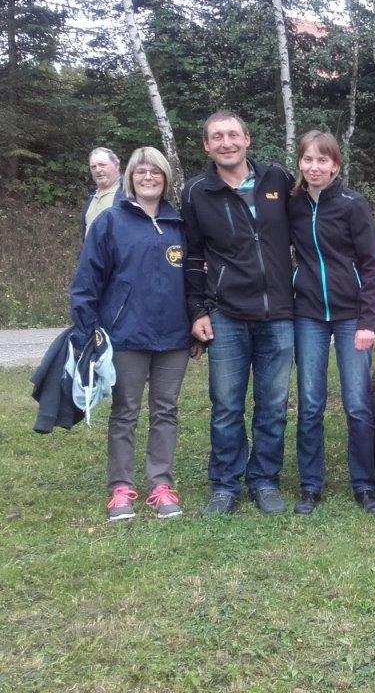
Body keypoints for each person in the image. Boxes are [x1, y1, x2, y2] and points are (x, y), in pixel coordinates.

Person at [182, 110, 296, 517]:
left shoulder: (277, 179)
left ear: (247, 139)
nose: (226, 142)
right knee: (227, 405)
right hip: (226, 313)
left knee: (273, 404)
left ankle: (265, 481)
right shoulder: (197, 192)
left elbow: (309, 227)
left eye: (233, 134)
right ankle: (225, 486)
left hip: (280, 313)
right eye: (217, 137)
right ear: (206, 146)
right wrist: (197, 310)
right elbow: (193, 257)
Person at [70, 147, 191, 522]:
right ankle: (120, 488)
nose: (148, 177)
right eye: (141, 172)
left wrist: (199, 322)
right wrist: (86, 333)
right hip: (124, 336)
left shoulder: (179, 224)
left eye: (155, 171)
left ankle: (160, 485)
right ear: (130, 178)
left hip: (174, 337)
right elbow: (86, 282)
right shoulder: (110, 222)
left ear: (166, 177)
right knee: (125, 412)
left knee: (166, 411)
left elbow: (196, 279)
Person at [288, 130, 375, 515]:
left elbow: (370, 264)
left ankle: (364, 484)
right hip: (308, 314)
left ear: (335, 165)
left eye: (322, 160)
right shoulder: (291, 204)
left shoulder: (351, 204)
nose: (315, 167)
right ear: (300, 163)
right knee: (310, 404)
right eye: (308, 160)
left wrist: (367, 321)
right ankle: (310, 485)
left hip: (350, 318)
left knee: (357, 404)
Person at [82, 148, 122, 238]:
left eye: (102, 165)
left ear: (116, 166)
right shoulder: (91, 199)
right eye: (93, 167)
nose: (98, 170)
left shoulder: (128, 195)